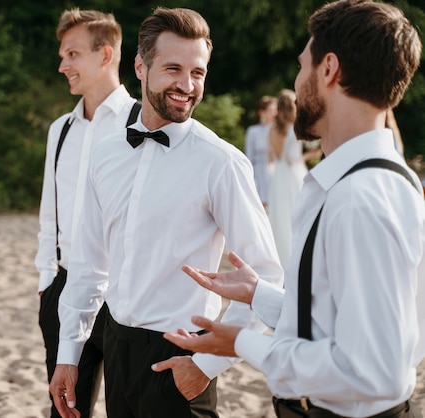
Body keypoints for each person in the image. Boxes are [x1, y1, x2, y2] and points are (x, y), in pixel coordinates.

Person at [164, 1, 425, 417]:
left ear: (329, 70)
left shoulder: (361, 198)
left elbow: (376, 373)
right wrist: (260, 296)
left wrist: (240, 342)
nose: (298, 79)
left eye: (304, 65)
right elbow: (340, 317)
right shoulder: (361, 180)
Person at [49, 7, 283, 418]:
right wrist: (69, 352)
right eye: (173, 69)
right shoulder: (105, 156)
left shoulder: (221, 163)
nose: (187, 85)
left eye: (198, 72)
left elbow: (266, 279)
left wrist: (205, 367)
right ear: (140, 66)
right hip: (117, 346)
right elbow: (88, 264)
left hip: (184, 357)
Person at [34, 8, 138, 418]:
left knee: (124, 409)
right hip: (63, 290)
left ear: (105, 55)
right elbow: (49, 211)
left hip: (123, 296)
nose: (63, 66)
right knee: (67, 411)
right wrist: (47, 282)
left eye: (72, 54)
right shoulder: (60, 129)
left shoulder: (142, 122)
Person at [266, 89, 319, 267]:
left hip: (278, 177)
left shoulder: (271, 131)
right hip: (294, 174)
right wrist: (307, 156)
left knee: (280, 219)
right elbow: (293, 158)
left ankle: (279, 259)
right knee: (300, 216)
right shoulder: (295, 129)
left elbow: (270, 159)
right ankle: (298, 258)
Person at [244, 95, 277, 209]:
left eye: (275, 110)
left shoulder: (279, 131)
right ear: (262, 112)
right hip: (259, 173)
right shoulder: (253, 131)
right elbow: (249, 156)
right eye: (270, 110)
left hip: (275, 171)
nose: (274, 113)